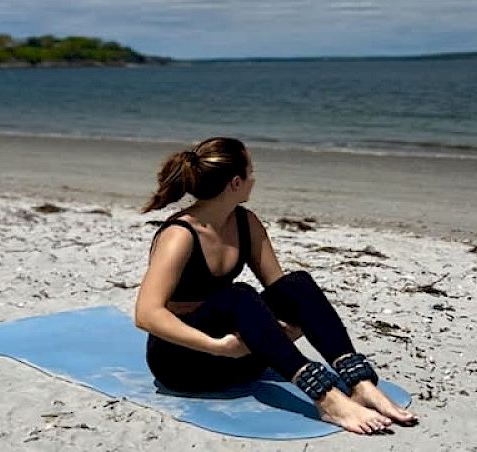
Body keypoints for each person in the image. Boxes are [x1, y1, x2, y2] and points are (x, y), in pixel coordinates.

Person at [135, 137, 418, 435]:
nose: (254, 180)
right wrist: (218, 347)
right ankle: (327, 399)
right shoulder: (179, 235)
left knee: (298, 284)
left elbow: (282, 292)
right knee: (239, 295)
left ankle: (360, 383)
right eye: (251, 172)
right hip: (184, 364)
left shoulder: (247, 223)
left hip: (241, 357)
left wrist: (290, 327)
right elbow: (147, 314)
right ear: (235, 182)